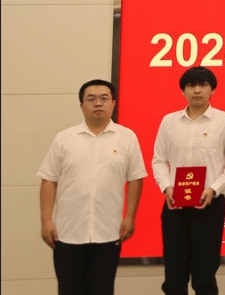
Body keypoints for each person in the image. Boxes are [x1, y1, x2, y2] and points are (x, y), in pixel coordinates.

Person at [38, 79, 147, 295]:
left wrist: (130, 216)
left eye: (104, 98)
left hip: (108, 232)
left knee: (102, 289)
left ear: (113, 103)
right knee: (69, 290)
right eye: (91, 99)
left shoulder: (127, 137)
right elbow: (49, 179)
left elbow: (136, 178)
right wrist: (46, 221)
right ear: (81, 106)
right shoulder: (64, 139)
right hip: (67, 233)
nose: (98, 103)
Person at [152, 67, 225, 295]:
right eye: (191, 85)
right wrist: (167, 187)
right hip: (174, 204)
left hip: (209, 205)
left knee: (204, 274)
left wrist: (213, 188)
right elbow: (159, 160)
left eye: (203, 85)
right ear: (183, 90)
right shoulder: (169, 121)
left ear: (212, 89)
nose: (196, 90)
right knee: (174, 275)